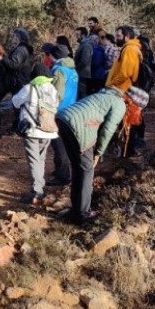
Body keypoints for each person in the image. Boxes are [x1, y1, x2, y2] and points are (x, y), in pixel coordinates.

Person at [56, 87, 126, 225]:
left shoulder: (102, 95)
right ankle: (83, 214)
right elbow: (108, 129)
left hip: (62, 119)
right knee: (87, 170)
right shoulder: (120, 104)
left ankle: (76, 210)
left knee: (78, 167)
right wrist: (98, 153)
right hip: (80, 127)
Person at [12, 64, 59, 205]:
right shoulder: (52, 89)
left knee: (34, 160)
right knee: (41, 158)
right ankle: (40, 186)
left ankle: (37, 191)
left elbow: (15, 102)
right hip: (49, 129)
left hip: (32, 129)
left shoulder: (29, 88)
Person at [46, 45, 77, 187]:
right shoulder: (72, 70)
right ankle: (61, 171)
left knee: (58, 144)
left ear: (53, 56)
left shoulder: (58, 71)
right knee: (64, 142)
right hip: (70, 110)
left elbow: (57, 94)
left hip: (59, 111)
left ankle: (63, 175)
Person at [105, 26, 141, 93]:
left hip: (120, 89)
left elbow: (125, 73)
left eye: (118, 36)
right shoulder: (127, 48)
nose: (116, 39)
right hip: (119, 88)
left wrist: (112, 83)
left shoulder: (129, 49)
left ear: (127, 36)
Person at [73, 27, 93, 99]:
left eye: (78, 35)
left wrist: (75, 68)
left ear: (83, 35)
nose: (76, 37)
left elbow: (84, 61)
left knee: (81, 94)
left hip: (83, 74)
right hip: (81, 73)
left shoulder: (86, 45)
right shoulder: (82, 44)